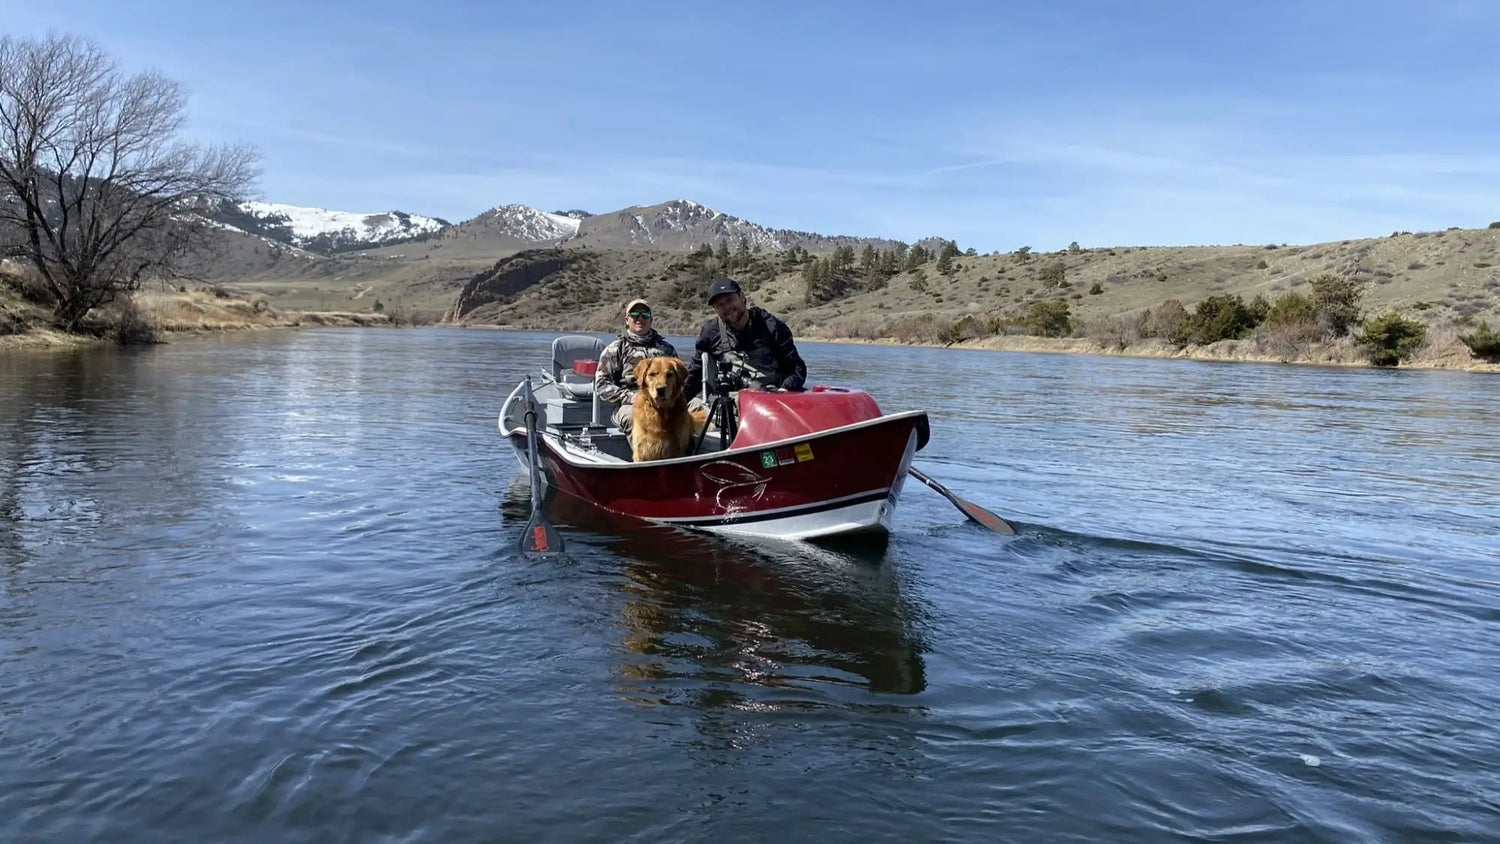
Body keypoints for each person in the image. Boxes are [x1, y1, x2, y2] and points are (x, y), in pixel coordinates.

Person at [685, 277, 807, 399]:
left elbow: (797, 369)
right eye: (720, 305)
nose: (727, 307)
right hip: (733, 402)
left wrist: (783, 391)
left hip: (773, 399)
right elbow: (695, 376)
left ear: (742, 297)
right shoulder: (710, 333)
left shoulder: (772, 327)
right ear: (715, 309)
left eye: (730, 300)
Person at [594, 298, 679, 432]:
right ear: (627, 320)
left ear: (651, 320)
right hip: (631, 403)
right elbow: (601, 384)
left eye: (645, 315)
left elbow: (680, 380)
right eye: (634, 315)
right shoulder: (615, 349)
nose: (640, 318)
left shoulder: (667, 349)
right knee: (636, 418)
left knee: (697, 407)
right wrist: (628, 397)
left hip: (666, 400)